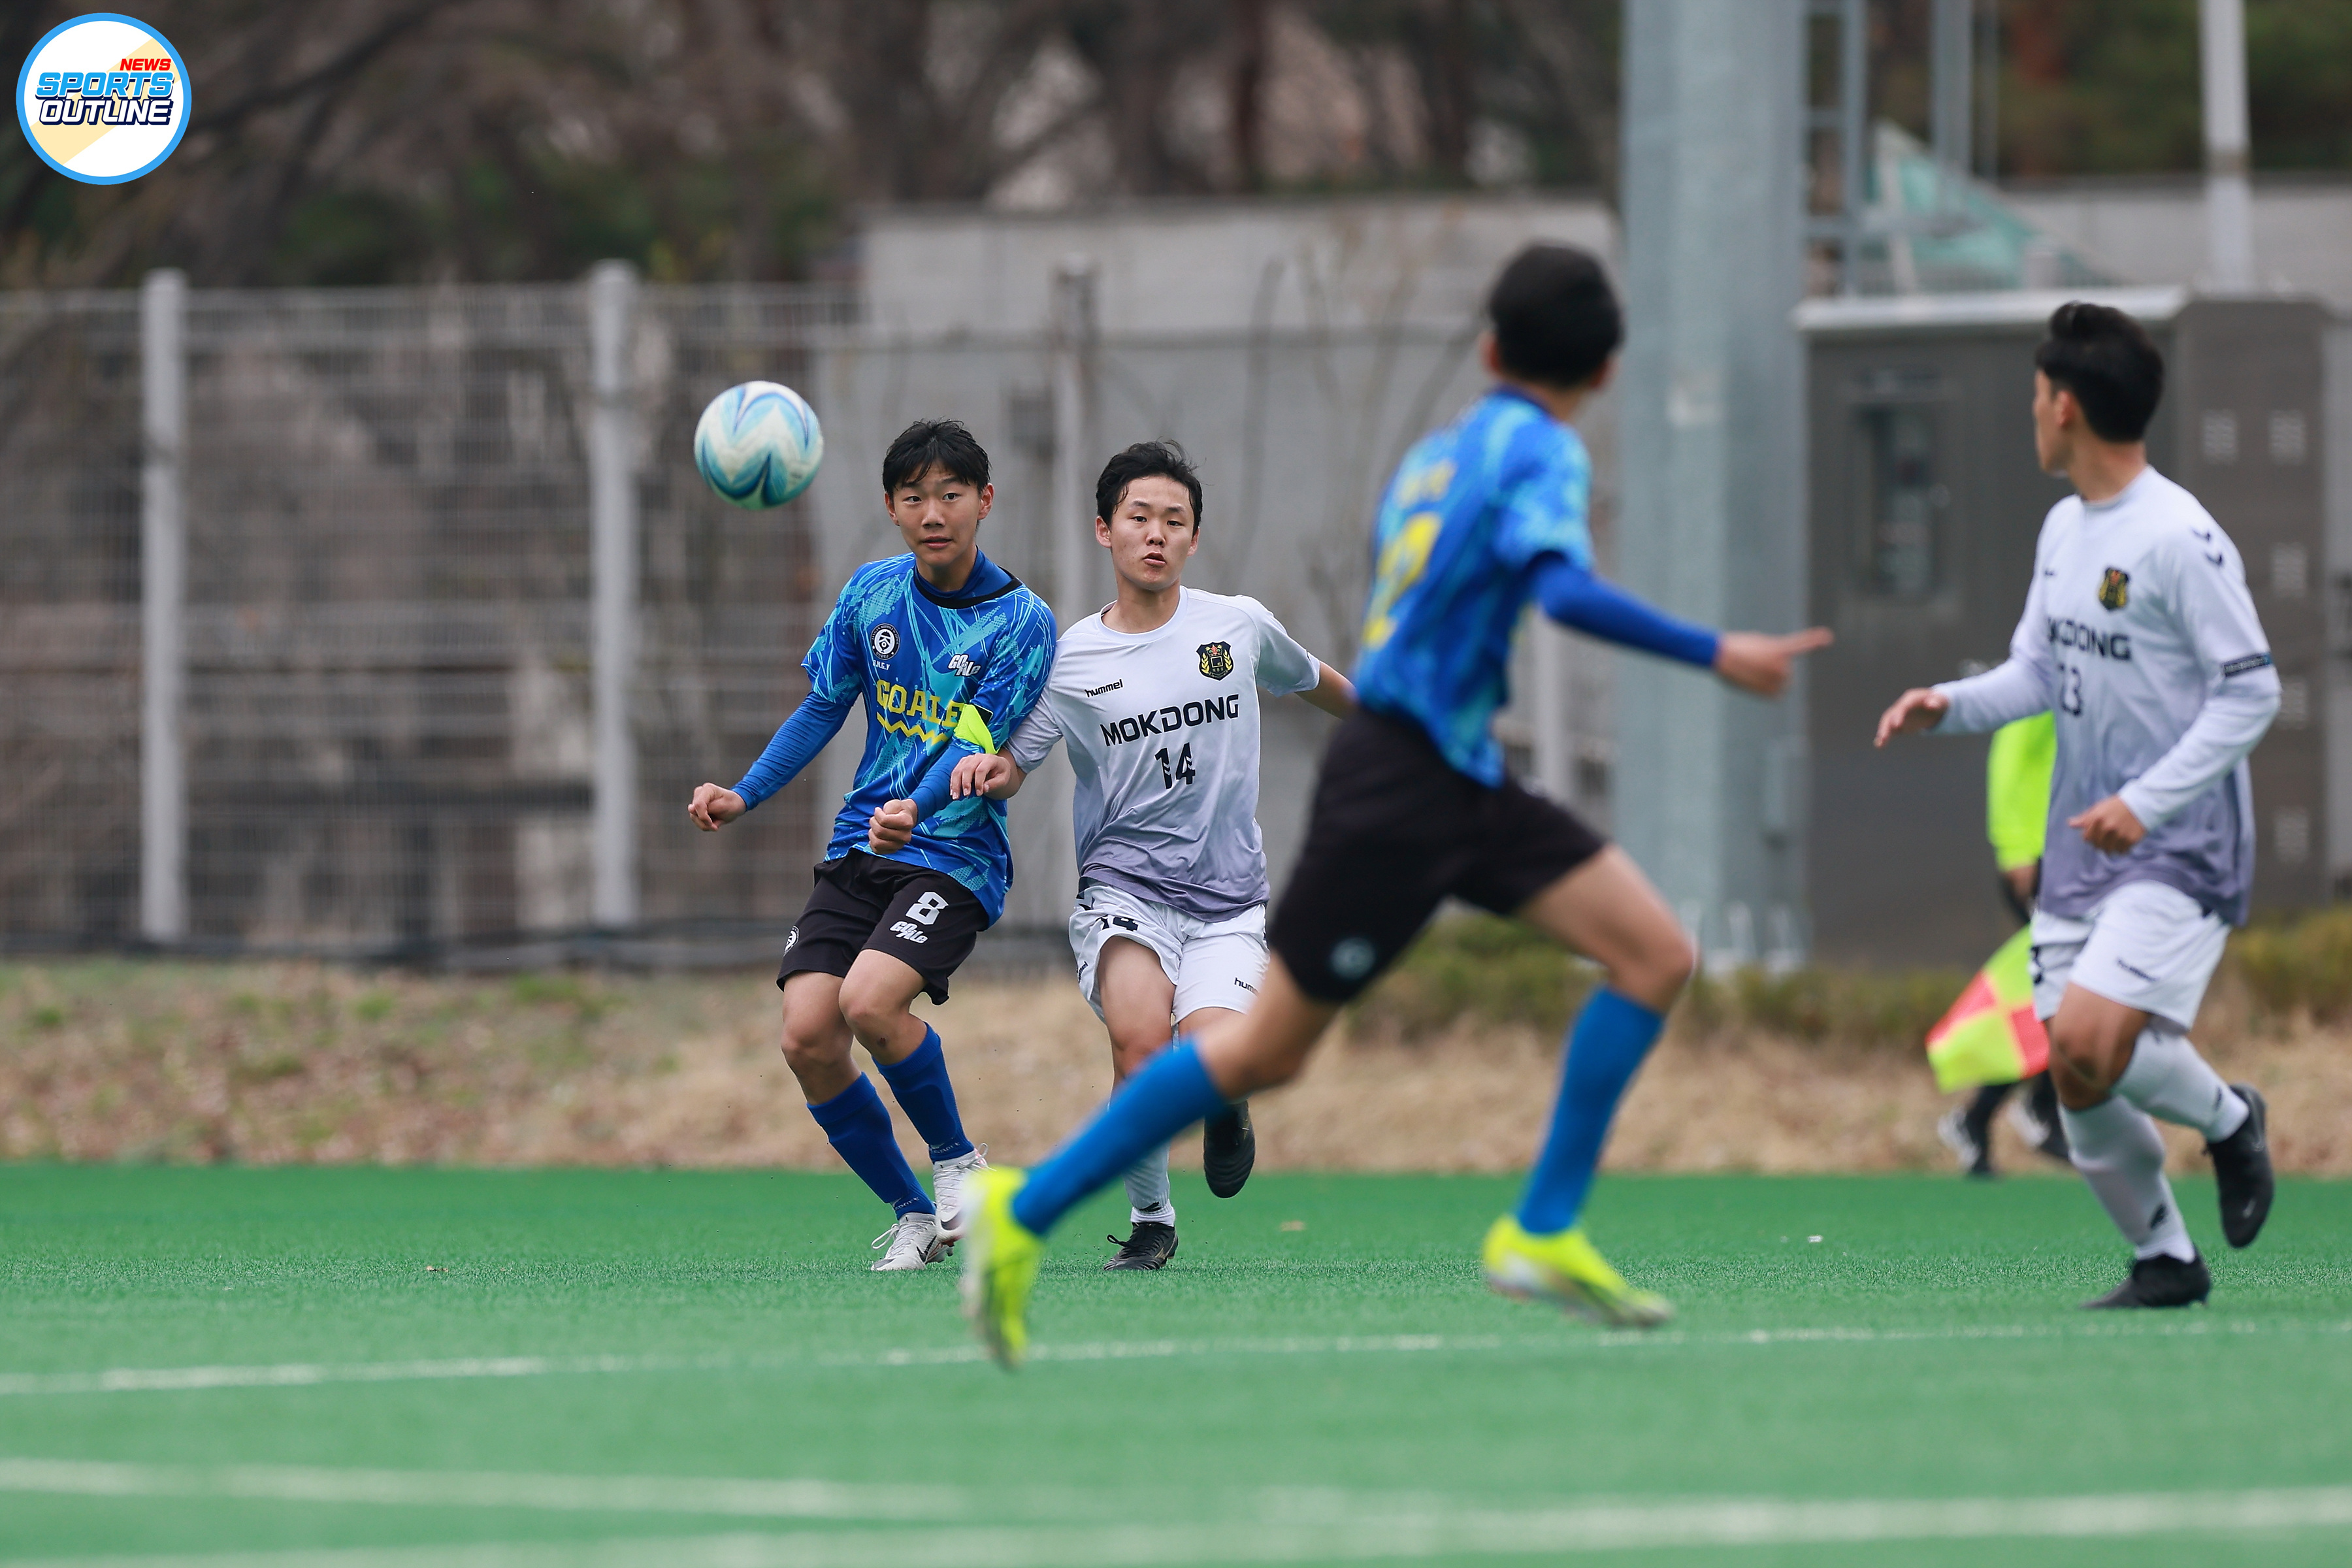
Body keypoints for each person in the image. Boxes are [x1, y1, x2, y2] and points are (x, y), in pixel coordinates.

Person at [953, 244, 1831, 1365]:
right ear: (1606, 373)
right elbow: (1560, 591)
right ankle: (1024, 1215)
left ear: (1490, 351)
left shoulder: (1433, 457)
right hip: (1409, 785)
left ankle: (1543, 1232)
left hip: (1444, 772)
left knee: (1654, 952)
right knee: (1264, 1056)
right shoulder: (1543, 451)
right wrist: (1716, 652)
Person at [1877, 302, 2278, 1309]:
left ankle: (2230, 1122)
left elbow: (2252, 692)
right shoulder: (2064, 529)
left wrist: (2145, 801)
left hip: (2178, 841)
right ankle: (2165, 1259)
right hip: (2085, 846)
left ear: (2064, 407)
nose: (2032, 413)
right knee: (2074, 1071)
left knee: (2095, 1040)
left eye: (2035, 396)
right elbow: (2036, 673)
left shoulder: (2180, 537)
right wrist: (1949, 705)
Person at [949, 440, 1355, 1271]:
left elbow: (1315, 680)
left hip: (1228, 900)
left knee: (1211, 1061)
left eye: (1175, 520)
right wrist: (991, 770)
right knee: (1140, 1048)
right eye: (1140, 517)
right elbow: (1018, 758)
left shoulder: (1236, 626)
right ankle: (1151, 1221)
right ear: (1105, 530)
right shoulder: (1072, 658)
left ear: (1194, 538)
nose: (1157, 534)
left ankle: (1227, 1100)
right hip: (1124, 890)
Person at [688, 419, 1056, 1271]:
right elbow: (823, 705)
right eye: (914, 497)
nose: (934, 513)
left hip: (954, 858)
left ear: (985, 501)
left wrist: (914, 811)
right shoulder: (871, 593)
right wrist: (744, 793)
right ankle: (913, 1215)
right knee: (806, 1037)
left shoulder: (1022, 621)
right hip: (861, 850)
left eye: (951, 495)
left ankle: (960, 1164)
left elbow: (974, 742)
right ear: (891, 507)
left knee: (869, 1003)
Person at [1936, 712, 2072, 1176]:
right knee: (2063, 985)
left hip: (2076, 858)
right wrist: (2016, 849)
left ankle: (1981, 1116)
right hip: (2040, 858)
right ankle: (2036, 1104)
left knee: (2063, 986)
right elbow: (2009, 756)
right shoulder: (2054, 673)